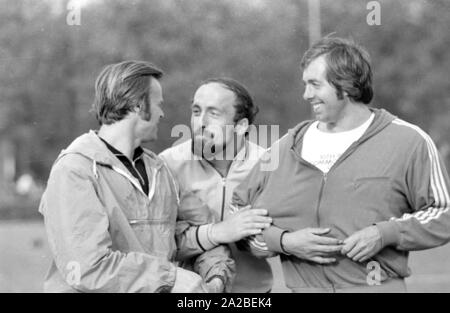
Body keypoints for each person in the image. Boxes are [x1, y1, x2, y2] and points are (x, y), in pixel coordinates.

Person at [232, 36, 450, 292]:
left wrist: (386, 233)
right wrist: (283, 241)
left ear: (346, 85)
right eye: (305, 84)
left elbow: (443, 214)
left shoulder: (409, 142)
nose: (306, 94)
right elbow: (237, 212)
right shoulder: (285, 147)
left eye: (315, 84)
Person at [39, 60, 234, 292]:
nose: (162, 114)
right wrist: (172, 279)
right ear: (138, 106)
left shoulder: (161, 171)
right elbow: (87, 267)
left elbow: (206, 229)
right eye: (158, 104)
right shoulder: (74, 171)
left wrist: (216, 277)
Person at [160, 78, 274, 293]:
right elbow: (159, 243)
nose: (200, 122)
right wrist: (218, 232)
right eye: (196, 111)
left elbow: (278, 238)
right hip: (190, 293)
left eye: (213, 113)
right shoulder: (167, 164)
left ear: (240, 126)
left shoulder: (267, 165)